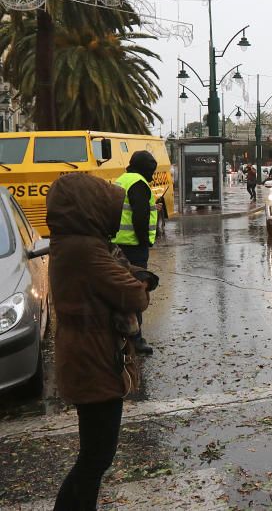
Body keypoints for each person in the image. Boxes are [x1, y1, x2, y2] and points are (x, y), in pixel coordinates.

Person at [47, 173, 155, 510]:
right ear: (89, 207)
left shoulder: (74, 243)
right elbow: (133, 296)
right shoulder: (86, 250)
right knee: (96, 456)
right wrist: (139, 283)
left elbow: (107, 282)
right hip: (93, 360)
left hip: (84, 354)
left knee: (94, 455)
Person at [111, 151, 159, 355]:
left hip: (116, 245)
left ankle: (117, 334)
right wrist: (144, 241)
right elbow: (139, 218)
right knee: (137, 291)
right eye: (151, 171)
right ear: (145, 169)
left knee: (118, 291)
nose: (152, 175)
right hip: (133, 247)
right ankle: (136, 338)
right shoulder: (139, 183)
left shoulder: (121, 180)